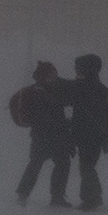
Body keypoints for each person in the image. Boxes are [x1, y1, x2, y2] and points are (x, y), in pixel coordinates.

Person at [14, 61, 74, 207]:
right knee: (44, 164)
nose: (55, 77)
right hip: (45, 136)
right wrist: (65, 123)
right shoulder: (40, 92)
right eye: (52, 74)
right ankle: (53, 196)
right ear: (44, 76)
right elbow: (45, 116)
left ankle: (27, 194)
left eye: (55, 74)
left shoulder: (49, 89)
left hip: (47, 136)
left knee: (49, 163)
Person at [68, 53, 108, 211]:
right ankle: (92, 197)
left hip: (88, 135)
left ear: (86, 70)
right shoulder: (101, 89)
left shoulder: (83, 87)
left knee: (86, 166)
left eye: (78, 69)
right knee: (87, 165)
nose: (76, 72)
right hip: (96, 135)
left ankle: (93, 197)